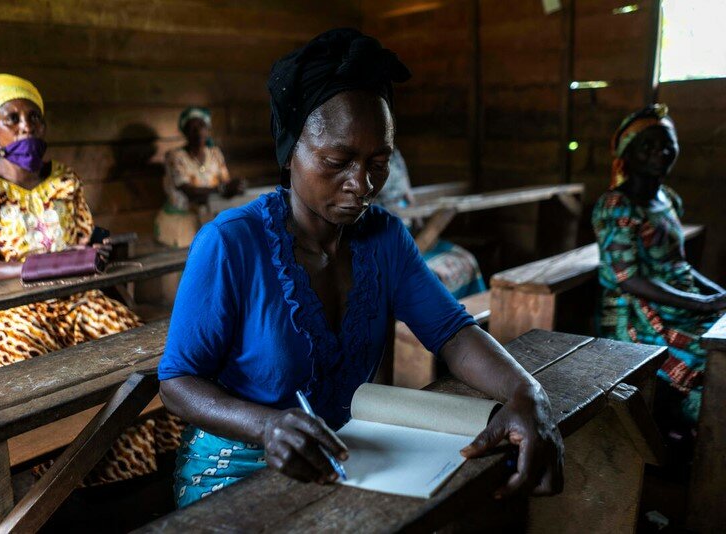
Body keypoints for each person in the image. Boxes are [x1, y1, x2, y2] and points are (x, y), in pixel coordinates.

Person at [158, 29, 563, 509]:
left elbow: (451, 333)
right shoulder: (230, 244)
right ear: (290, 153)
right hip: (234, 468)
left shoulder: (384, 238)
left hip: (344, 457)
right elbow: (178, 382)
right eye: (337, 160)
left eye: (379, 162)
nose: (363, 184)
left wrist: (527, 391)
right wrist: (266, 425)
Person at [0, 73, 181, 484]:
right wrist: (54, 264)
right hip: (12, 306)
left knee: (127, 339)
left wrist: (93, 256)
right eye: (12, 119)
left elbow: (83, 244)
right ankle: (59, 478)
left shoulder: (64, 179)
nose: (26, 127)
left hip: (76, 297)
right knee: (34, 369)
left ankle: (133, 467)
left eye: (34, 118)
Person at [592, 104, 725, 429]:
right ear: (627, 154)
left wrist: (717, 294)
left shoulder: (667, 198)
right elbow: (629, 280)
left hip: (678, 299)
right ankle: (698, 433)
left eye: (667, 143)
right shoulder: (617, 205)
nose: (660, 152)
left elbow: (677, 263)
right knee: (711, 356)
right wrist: (701, 302)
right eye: (647, 146)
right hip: (637, 313)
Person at [375, 147, 486, 299]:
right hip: (385, 238)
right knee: (424, 278)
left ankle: (466, 316)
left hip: (408, 231)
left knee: (466, 260)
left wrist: (420, 225)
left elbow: (407, 194)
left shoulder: (394, 155)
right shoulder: (365, 161)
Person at [155, 106, 245, 248]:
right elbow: (189, 191)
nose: (198, 132)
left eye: (201, 126)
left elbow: (226, 183)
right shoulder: (176, 157)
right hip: (180, 226)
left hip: (208, 219)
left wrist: (235, 187)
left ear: (208, 129)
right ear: (185, 132)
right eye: (192, 128)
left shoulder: (215, 154)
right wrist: (222, 189)